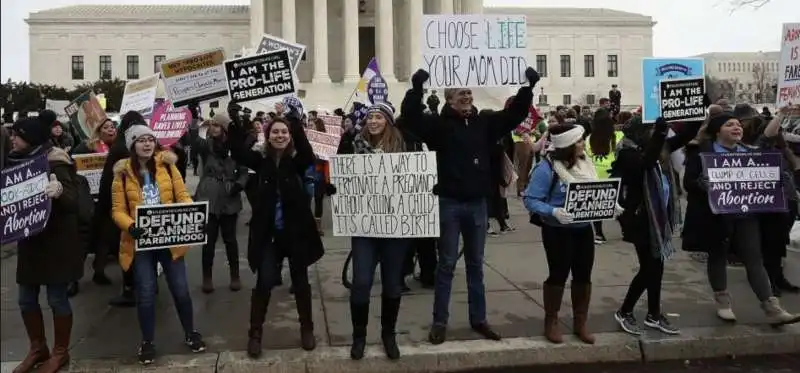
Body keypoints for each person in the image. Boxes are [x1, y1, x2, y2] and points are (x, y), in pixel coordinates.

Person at [400, 67, 539, 345]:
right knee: (447, 265)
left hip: (476, 203)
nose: (466, 96)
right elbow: (410, 117)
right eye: (460, 93)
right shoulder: (438, 126)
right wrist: (416, 88)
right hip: (449, 203)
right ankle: (440, 321)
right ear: (449, 99)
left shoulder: (484, 123)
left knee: (476, 265)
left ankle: (479, 319)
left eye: (468, 92)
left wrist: (527, 87)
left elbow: (514, 115)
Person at [225, 103, 324, 357]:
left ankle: (307, 329)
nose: (279, 136)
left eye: (284, 132)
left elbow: (307, 152)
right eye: (275, 132)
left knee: (301, 282)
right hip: (270, 236)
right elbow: (237, 151)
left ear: (289, 136)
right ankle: (255, 334)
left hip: (296, 234)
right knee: (265, 281)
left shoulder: (297, 162)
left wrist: (294, 121)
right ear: (267, 136)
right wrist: (236, 122)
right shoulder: (261, 161)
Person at [682, 113, 800, 326]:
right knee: (718, 256)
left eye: (738, 124)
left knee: (754, 259)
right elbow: (688, 183)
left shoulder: (749, 152)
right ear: (718, 131)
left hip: (747, 216)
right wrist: (703, 183)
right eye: (729, 125)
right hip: (717, 217)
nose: (736, 128)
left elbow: (766, 137)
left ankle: (772, 307)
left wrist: (781, 114)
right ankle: (723, 301)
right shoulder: (703, 153)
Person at [110, 125, 206, 364]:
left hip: (170, 241)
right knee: (145, 294)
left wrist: (192, 215)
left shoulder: (168, 166)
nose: (147, 144)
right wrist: (131, 226)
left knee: (181, 290)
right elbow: (117, 211)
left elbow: (182, 196)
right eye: (141, 140)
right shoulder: (121, 174)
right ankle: (147, 341)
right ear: (133, 145)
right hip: (141, 243)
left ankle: (190, 332)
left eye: (150, 140)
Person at [611, 114, 701, 336]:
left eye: (654, 130)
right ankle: (625, 311)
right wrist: (660, 133)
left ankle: (653, 314)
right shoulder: (627, 153)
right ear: (640, 133)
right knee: (649, 268)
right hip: (639, 218)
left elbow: (687, 134)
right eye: (649, 130)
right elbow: (645, 163)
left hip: (657, 218)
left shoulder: (660, 146)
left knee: (656, 267)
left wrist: (699, 108)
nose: (654, 134)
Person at [524, 123, 613, 345]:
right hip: (557, 231)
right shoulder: (546, 169)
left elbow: (594, 191)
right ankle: (551, 320)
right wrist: (553, 211)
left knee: (583, 276)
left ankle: (580, 322)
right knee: (558, 275)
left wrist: (610, 204)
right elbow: (530, 199)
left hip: (583, 229)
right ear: (568, 145)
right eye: (580, 141)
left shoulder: (586, 165)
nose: (584, 144)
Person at [336, 102, 412, 360]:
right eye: (370, 117)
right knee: (361, 283)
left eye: (379, 116)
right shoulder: (353, 145)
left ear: (388, 121)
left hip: (394, 227)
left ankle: (388, 335)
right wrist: (336, 189)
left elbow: (415, 180)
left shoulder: (403, 146)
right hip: (365, 227)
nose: (373, 121)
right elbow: (342, 178)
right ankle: (359, 337)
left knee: (392, 284)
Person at [8, 117, 82, 373]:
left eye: (17, 135)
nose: (12, 139)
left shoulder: (57, 161)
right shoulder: (14, 162)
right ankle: (38, 348)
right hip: (30, 241)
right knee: (26, 299)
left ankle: (60, 352)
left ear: (31, 138)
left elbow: (74, 203)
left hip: (57, 243)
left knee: (56, 298)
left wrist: (60, 191)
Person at [192, 114, 249, 293]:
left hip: (229, 196)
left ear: (224, 128)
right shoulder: (206, 145)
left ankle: (235, 275)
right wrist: (197, 120)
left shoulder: (235, 147)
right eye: (212, 125)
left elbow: (244, 171)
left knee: (230, 239)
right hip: (208, 194)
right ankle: (207, 277)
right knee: (208, 240)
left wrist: (239, 185)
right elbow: (195, 140)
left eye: (217, 125)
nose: (213, 128)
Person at [98, 111, 149, 307]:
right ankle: (146, 285)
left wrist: (105, 208)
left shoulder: (120, 147)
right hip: (141, 205)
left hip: (125, 209)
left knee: (127, 249)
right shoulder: (142, 147)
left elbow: (107, 183)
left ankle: (130, 290)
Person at [585, 108, 622, 244]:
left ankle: (599, 233)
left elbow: (587, 156)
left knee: (597, 205)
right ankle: (625, 229)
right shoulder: (618, 136)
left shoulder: (589, 139)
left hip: (595, 173)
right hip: (613, 172)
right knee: (619, 203)